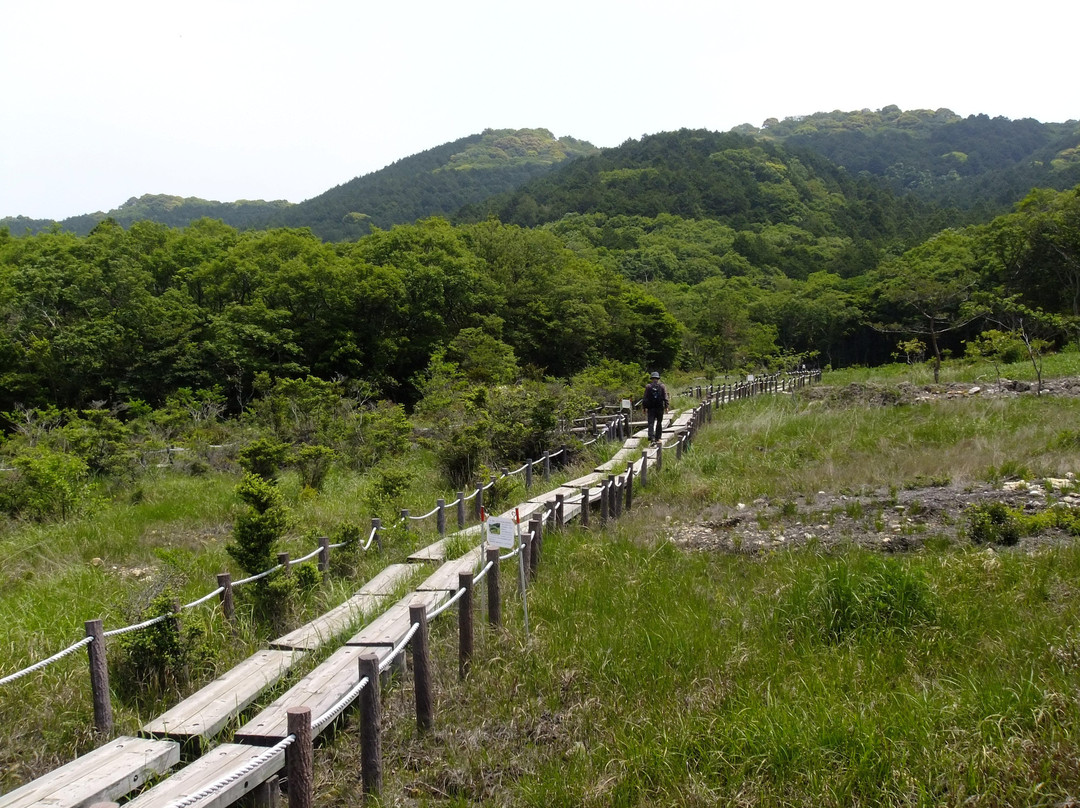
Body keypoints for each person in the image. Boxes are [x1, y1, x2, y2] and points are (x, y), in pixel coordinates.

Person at [642, 371, 669, 443]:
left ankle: (651, 438)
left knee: (651, 423)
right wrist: (666, 406)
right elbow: (665, 397)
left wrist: (644, 408)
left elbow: (645, 398)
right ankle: (658, 438)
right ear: (658, 378)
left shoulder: (648, 386)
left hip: (651, 408)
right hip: (660, 407)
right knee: (659, 423)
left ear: (652, 378)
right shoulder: (662, 386)